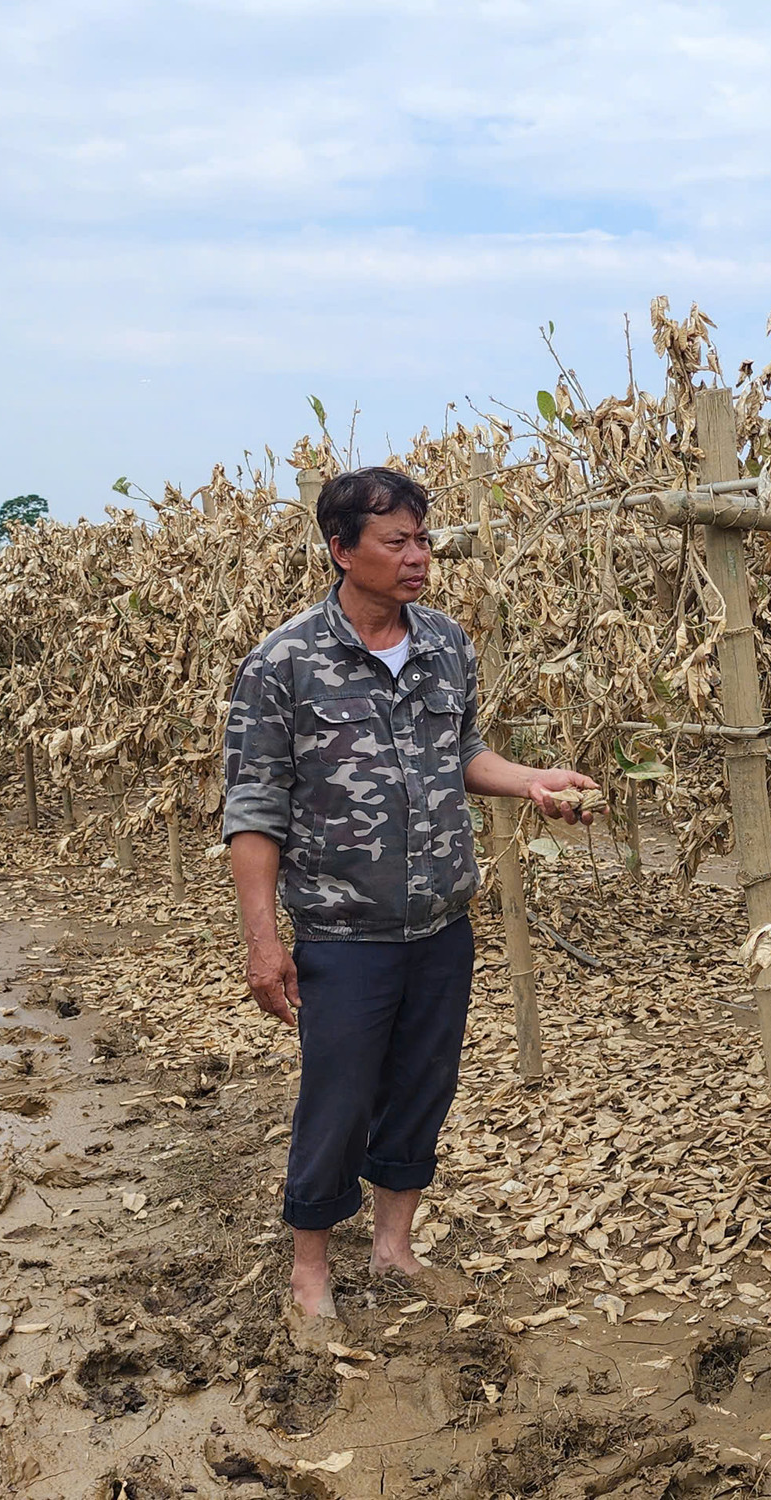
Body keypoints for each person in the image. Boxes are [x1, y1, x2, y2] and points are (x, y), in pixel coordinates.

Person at [221, 466, 596, 1336]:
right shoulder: (283, 663)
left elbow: (464, 753)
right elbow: (253, 812)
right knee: (339, 1097)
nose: (419, 557)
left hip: (439, 922)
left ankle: (395, 1248)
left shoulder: (444, 644)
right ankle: (310, 1272)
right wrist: (263, 943)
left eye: (424, 540)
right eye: (398, 543)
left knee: (423, 1085)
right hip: (343, 932)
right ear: (341, 549)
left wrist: (529, 780)